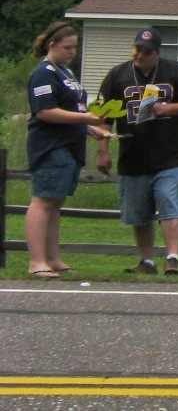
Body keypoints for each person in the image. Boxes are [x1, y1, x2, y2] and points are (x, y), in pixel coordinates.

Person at [97, 28, 178, 276]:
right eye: (137, 49)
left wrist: (166, 109)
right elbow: (103, 116)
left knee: (169, 202)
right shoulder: (118, 75)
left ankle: (172, 257)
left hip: (168, 154)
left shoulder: (175, 71)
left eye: (145, 52)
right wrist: (102, 150)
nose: (139, 55)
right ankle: (146, 261)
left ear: (157, 53)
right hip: (132, 154)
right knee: (139, 211)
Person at [25, 23, 110, 279]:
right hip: (51, 147)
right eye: (68, 47)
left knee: (56, 202)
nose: (73, 51)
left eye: (75, 47)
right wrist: (85, 120)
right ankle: (36, 261)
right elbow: (45, 111)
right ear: (52, 46)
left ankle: (52, 258)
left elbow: (74, 109)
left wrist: (90, 129)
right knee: (43, 201)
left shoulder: (66, 73)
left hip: (70, 146)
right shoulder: (44, 74)